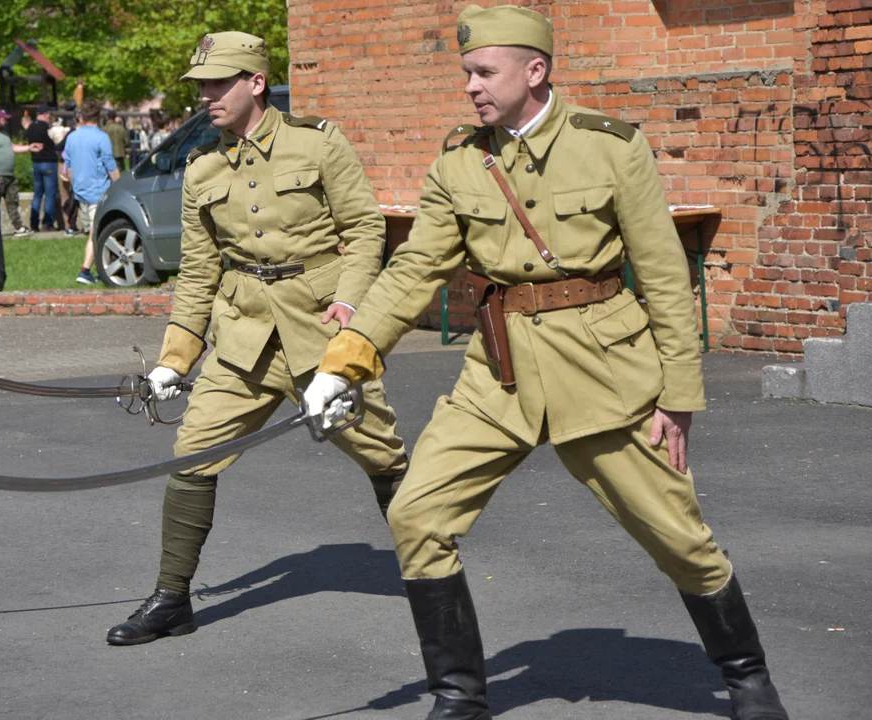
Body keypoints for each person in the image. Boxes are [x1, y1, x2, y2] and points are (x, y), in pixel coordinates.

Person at [303, 6, 789, 720]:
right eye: (465, 73)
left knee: (678, 537)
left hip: (604, 371)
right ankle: (458, 696)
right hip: (496, 375)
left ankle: (747, 681)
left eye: (483, 72)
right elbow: (412, 272)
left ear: (534, 71)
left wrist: (677, 394)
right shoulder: (459, 163)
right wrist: (344, 360)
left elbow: (662, 275)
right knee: (414, 513)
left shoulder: (611, 148)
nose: (469, 85)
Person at [103, 31, 409, 648]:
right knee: (191, 452)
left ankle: (433, 573)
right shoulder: (203, 168)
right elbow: (197, 273)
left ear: (255, 83)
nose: (207, 96)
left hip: (323, 333)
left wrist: (350, 306)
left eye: (218, 83)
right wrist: (174, 359)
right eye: (202, 86)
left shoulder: (316, 143)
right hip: (244, 337)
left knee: (380, 454)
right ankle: (171, 598)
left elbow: (366, 229)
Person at [63, 98, 120, 282]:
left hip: (81, 193)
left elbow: (68, 168)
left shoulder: (71, 137)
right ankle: (85, 271)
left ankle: (104, 270)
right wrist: (120, 186)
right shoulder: (101, 137)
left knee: (94, 233)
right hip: (98, 192)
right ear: (98, 116)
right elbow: (110, 166)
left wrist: (75, 187)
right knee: (96, 235)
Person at [0, 109, 42, 237]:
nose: (6, 121)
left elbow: (12, 147)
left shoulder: (4, 134)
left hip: (9, 176)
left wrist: (29, 147)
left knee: (13, 201)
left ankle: (19, 227)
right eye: (4, 119)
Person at [25, 104, 60, 231]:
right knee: (50, 194)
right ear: (46, 114)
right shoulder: (47, 128)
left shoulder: (30, 128)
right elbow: (55, 142)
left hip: (36, 162)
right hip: (49, 162)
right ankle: (47, 222)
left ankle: (33, 223)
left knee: (38, 193)